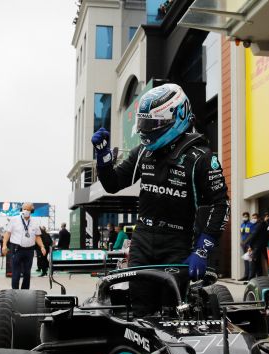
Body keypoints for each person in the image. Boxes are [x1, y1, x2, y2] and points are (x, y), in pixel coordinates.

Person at [91, 83, 229, 313]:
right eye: (144, 123)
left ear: (178, 116)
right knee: (140, 308)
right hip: (142, 239)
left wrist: (202, 249)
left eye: (153, 124)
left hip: (178, 242)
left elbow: (220, 204)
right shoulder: (143, 152)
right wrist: (103, 160)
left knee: (172, 310)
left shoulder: (201, 158)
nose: (146, 130)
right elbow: (113, 184)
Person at [2, 202, 47, 290]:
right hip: (16, 249)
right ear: (21, 210)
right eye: (24, 209)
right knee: (16, 273)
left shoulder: (35, 222)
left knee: (27, 273)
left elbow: (37, 236)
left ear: (32, 211)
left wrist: (42, 246)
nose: (26, 211)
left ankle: (25, 292)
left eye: (28, 209)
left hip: (29, 251)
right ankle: (15, 292)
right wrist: (4, 245)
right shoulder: (14, 220)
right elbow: (7, 233)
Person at [245, 212, 269, 278]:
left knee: (255, 261)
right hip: (262, 245)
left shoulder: (263, 224)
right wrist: (250, 245)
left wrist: (250, 245)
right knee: (257, 261)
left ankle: (254, 277)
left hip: (259, 245)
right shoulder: (263, 224)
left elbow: (254, 235)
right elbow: (254, 235)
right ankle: (257, 277)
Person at [239, 211, 254, 281]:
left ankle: (250, 277)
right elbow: (242, 234)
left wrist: (250, 244)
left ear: (248, 217)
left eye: (246, 216)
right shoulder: (242, 225)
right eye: (244, 216)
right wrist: (242, 242)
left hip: (249, 244)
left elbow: (252, 235)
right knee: (246, 260)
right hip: (243, 244)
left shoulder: (251, 225)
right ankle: (246, 275)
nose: (245, 217)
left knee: (250, 260)